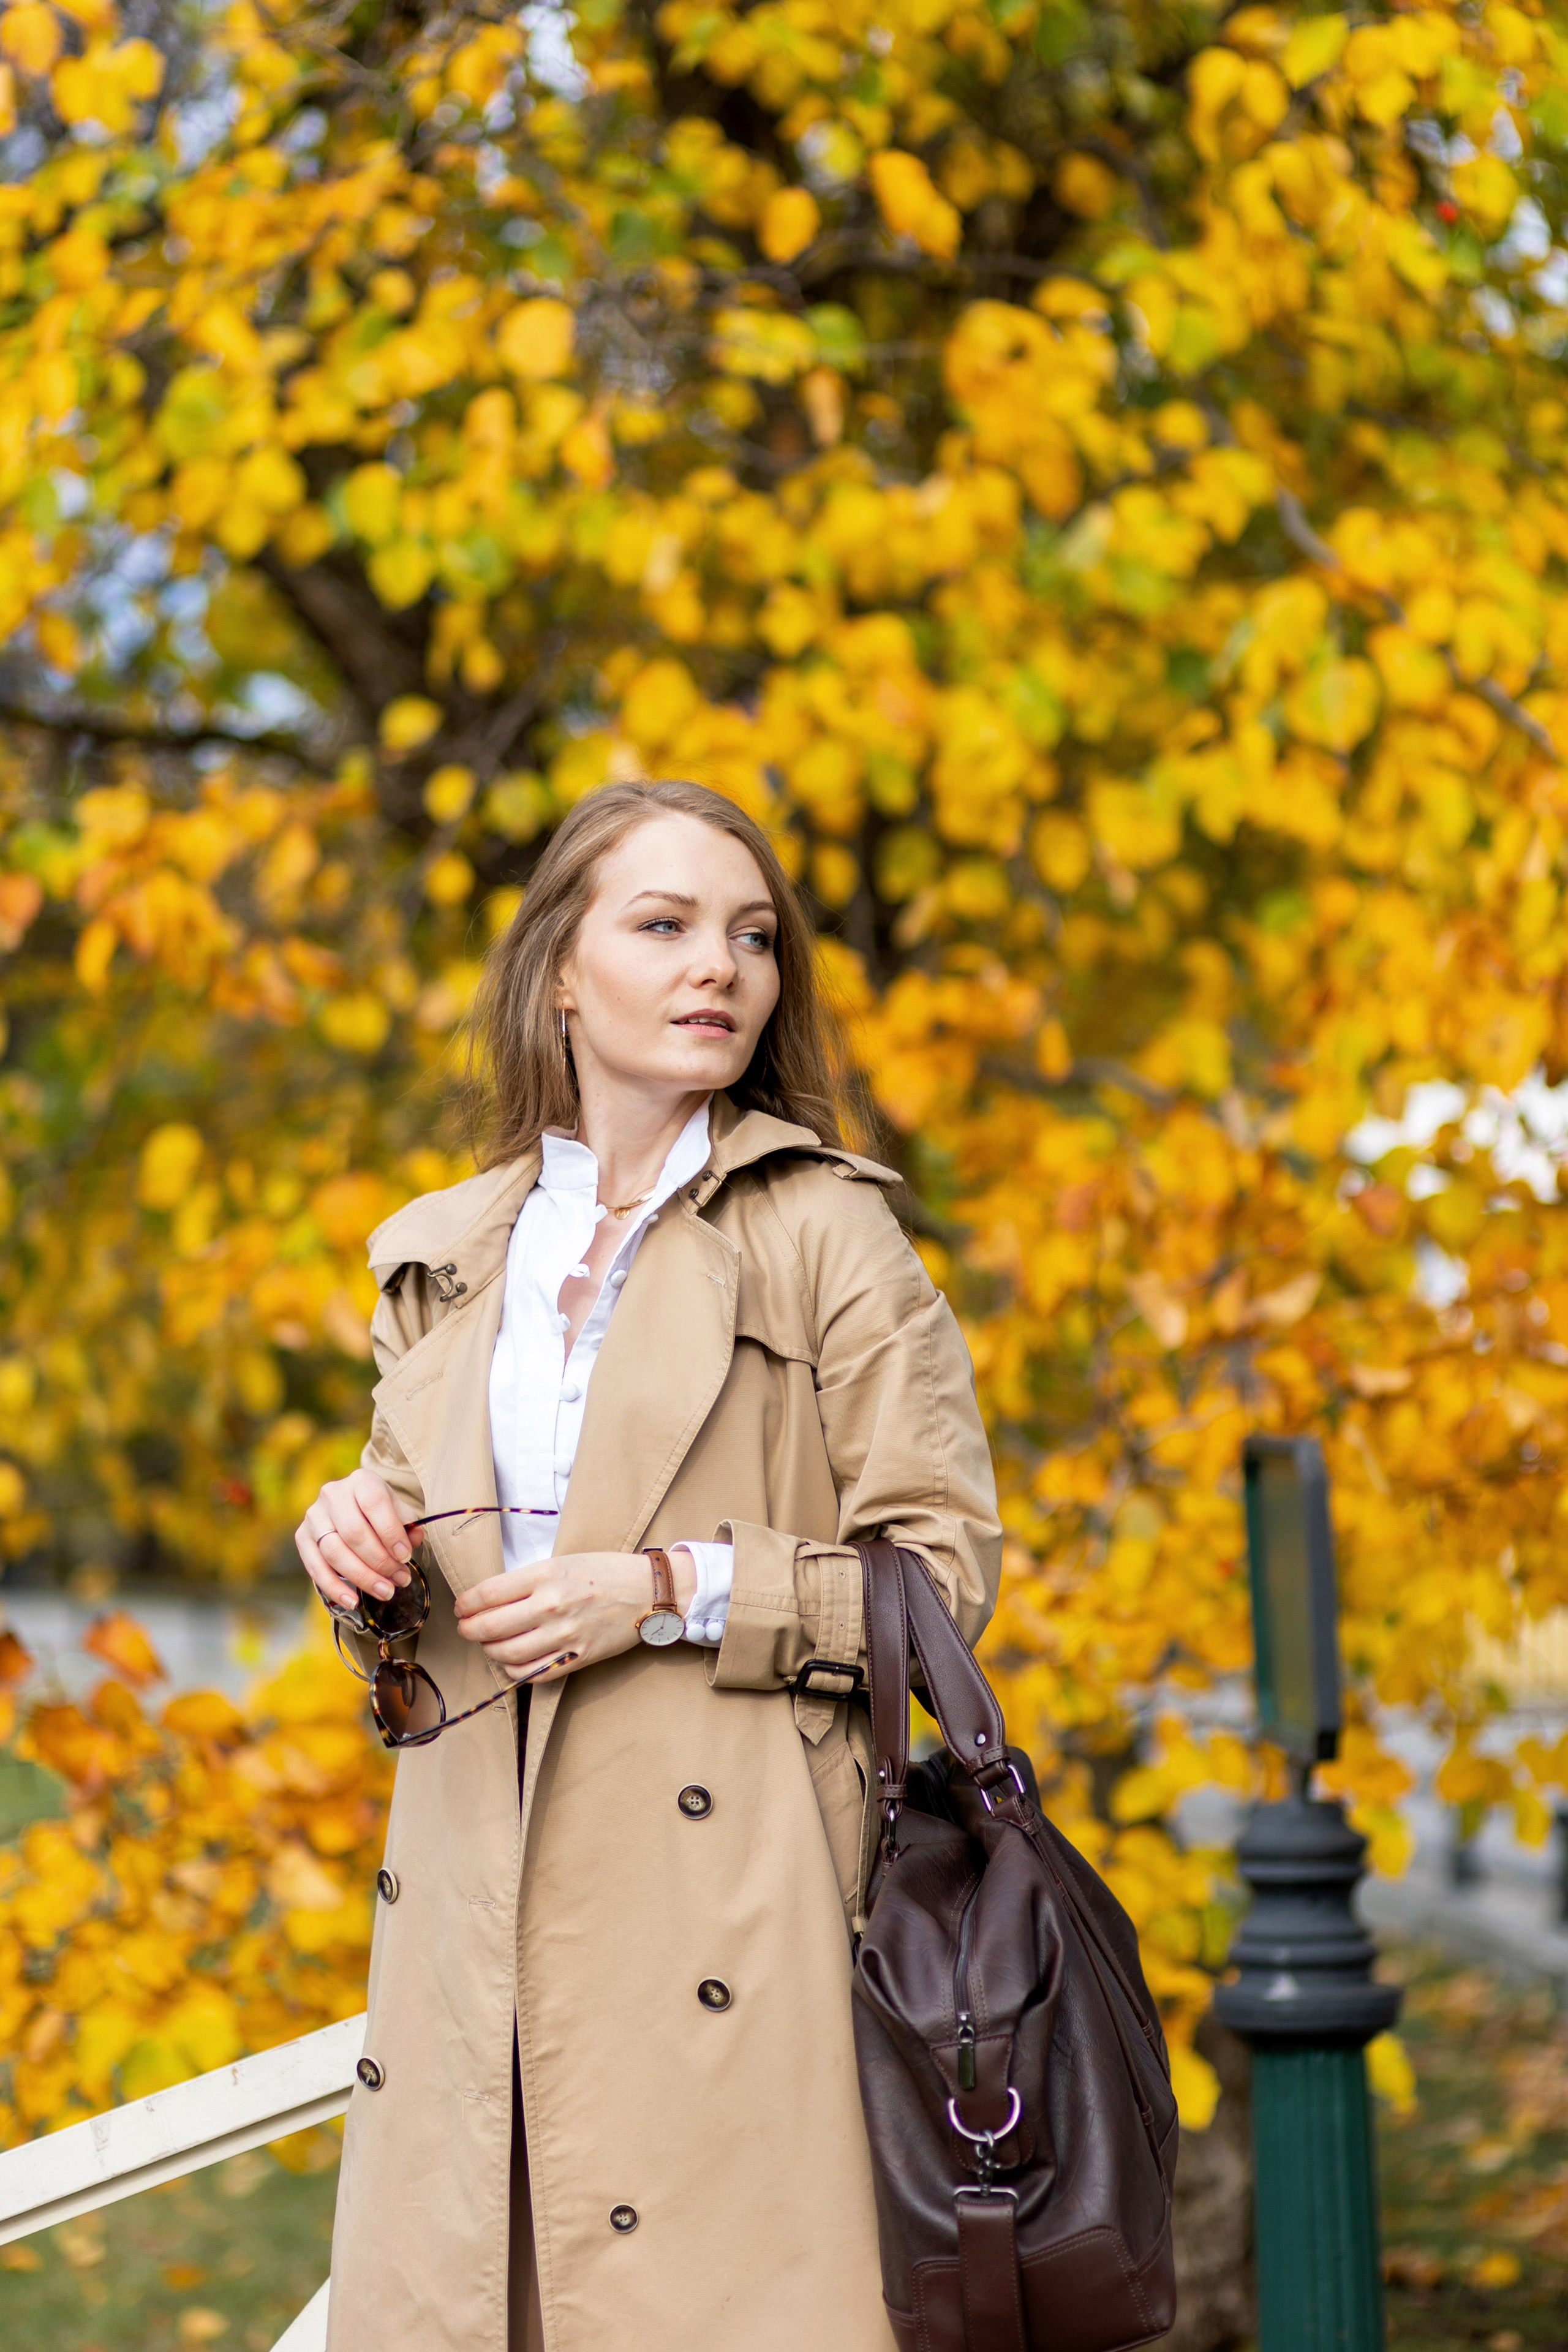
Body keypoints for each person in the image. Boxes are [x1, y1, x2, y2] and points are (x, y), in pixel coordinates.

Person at [293, 779, 1002, 2352]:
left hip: (732, 1921)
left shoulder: (820, 1230)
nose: (720, 969)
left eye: (749, 937)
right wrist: (353, 1554)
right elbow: (409, 1607)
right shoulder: (445, 1254)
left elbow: (940, 1575)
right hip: (480, 1924)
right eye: (665, 925)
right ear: (560, 970)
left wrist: (670, 1589)